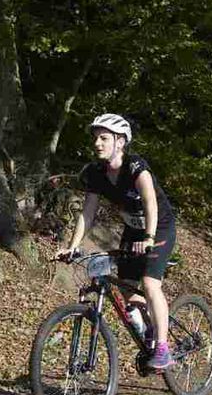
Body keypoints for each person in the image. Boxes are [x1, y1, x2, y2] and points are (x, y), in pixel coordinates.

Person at [57, 113, 177, 372]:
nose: (97, 143)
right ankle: (150, 329)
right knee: (126, 289)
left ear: (120, 142)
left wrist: (149, 238)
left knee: (149, 283)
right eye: (95, 138)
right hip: (133, 231)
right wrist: (73, 245)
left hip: (159, 228)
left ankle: (163, 348)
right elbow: (87, 213)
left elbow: (150, 204)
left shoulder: (136, 167)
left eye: (104, 138)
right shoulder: (96, 172)